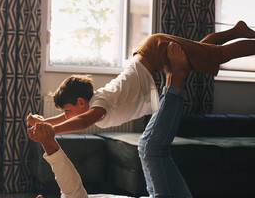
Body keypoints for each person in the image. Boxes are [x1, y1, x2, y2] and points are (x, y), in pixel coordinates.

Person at [14, 43, 199, 198]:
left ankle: (171, 83)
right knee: (151, 149)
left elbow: (69, 118)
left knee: (145, 147)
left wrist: (46, 123)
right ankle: (177, 79)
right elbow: (70, 184)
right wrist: (48, 139)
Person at [27, 21, 255, 134]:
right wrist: (44, 123)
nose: (65, 116)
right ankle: (237, 30)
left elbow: (81, 121)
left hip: (156, 50)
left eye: (66, 111)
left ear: (80, 102)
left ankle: (240, 35)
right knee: (199, 53)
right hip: (152, 53)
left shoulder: (98, 105)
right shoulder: (94, 102)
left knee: (218, 55)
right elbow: (73, 118)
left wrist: (50, 129)